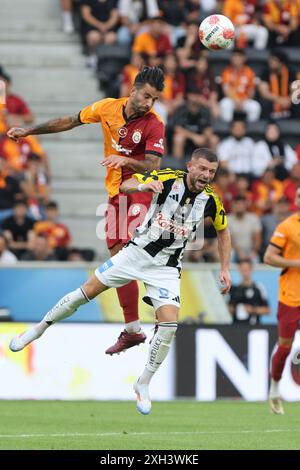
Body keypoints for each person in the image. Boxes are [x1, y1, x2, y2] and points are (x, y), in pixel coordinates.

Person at [9, 148, 232, 415]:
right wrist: (145, 184)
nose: (206, 175)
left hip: (167, 267)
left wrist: (225, 268)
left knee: (170, 325)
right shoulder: (170, 178)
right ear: (190, 166)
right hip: (135, 254)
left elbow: (223, 231)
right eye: (202, 169)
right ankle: (37, 330)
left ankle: (143, 383)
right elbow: (126, 185)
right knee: (84, 293)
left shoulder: (211, 201)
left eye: (211, 172)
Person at [7, 67, 165, 355]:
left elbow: (153, 166)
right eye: (146, 96)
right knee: (118, 260)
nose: (148, 103)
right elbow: (69, 121)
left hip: (140, 191)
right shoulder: (106, 108)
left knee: (129, 250)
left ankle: (156, 298)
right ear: (132, 90)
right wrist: (29, 131)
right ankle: (132, 329)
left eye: (154, 99)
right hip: (116, 195)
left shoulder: (154, 124)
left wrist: (123, 159)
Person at [264, 186, 300, 415]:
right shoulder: (287, 226)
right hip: (291, 296)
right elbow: (269, 257)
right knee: (285, 346)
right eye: (298, 196)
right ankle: (275, 388)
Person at [228, 259, 270, 325]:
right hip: (236, 327)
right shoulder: (234, 289)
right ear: (239, 270)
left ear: (251, 270)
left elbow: (267, 310)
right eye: (243, 269)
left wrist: (253, 310)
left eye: (246, 269)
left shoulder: (258, 288)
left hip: (253, 327)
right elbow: (230, 309)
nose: (245, 272)